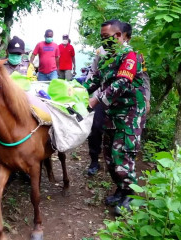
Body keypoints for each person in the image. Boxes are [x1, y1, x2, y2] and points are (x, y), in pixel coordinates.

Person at [83, 19, 146, 215]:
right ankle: (121, 190)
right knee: (110, 155)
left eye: (106, 37)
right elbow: (93, 81)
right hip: (112, 113)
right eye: (101, 37)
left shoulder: (131, 56)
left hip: (129, 113)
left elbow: (121, 83)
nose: (103, 41)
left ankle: (132, 196)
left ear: (119, 36)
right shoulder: (107, 58)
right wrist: (75, 92)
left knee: (123, 154)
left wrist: (95, 100)